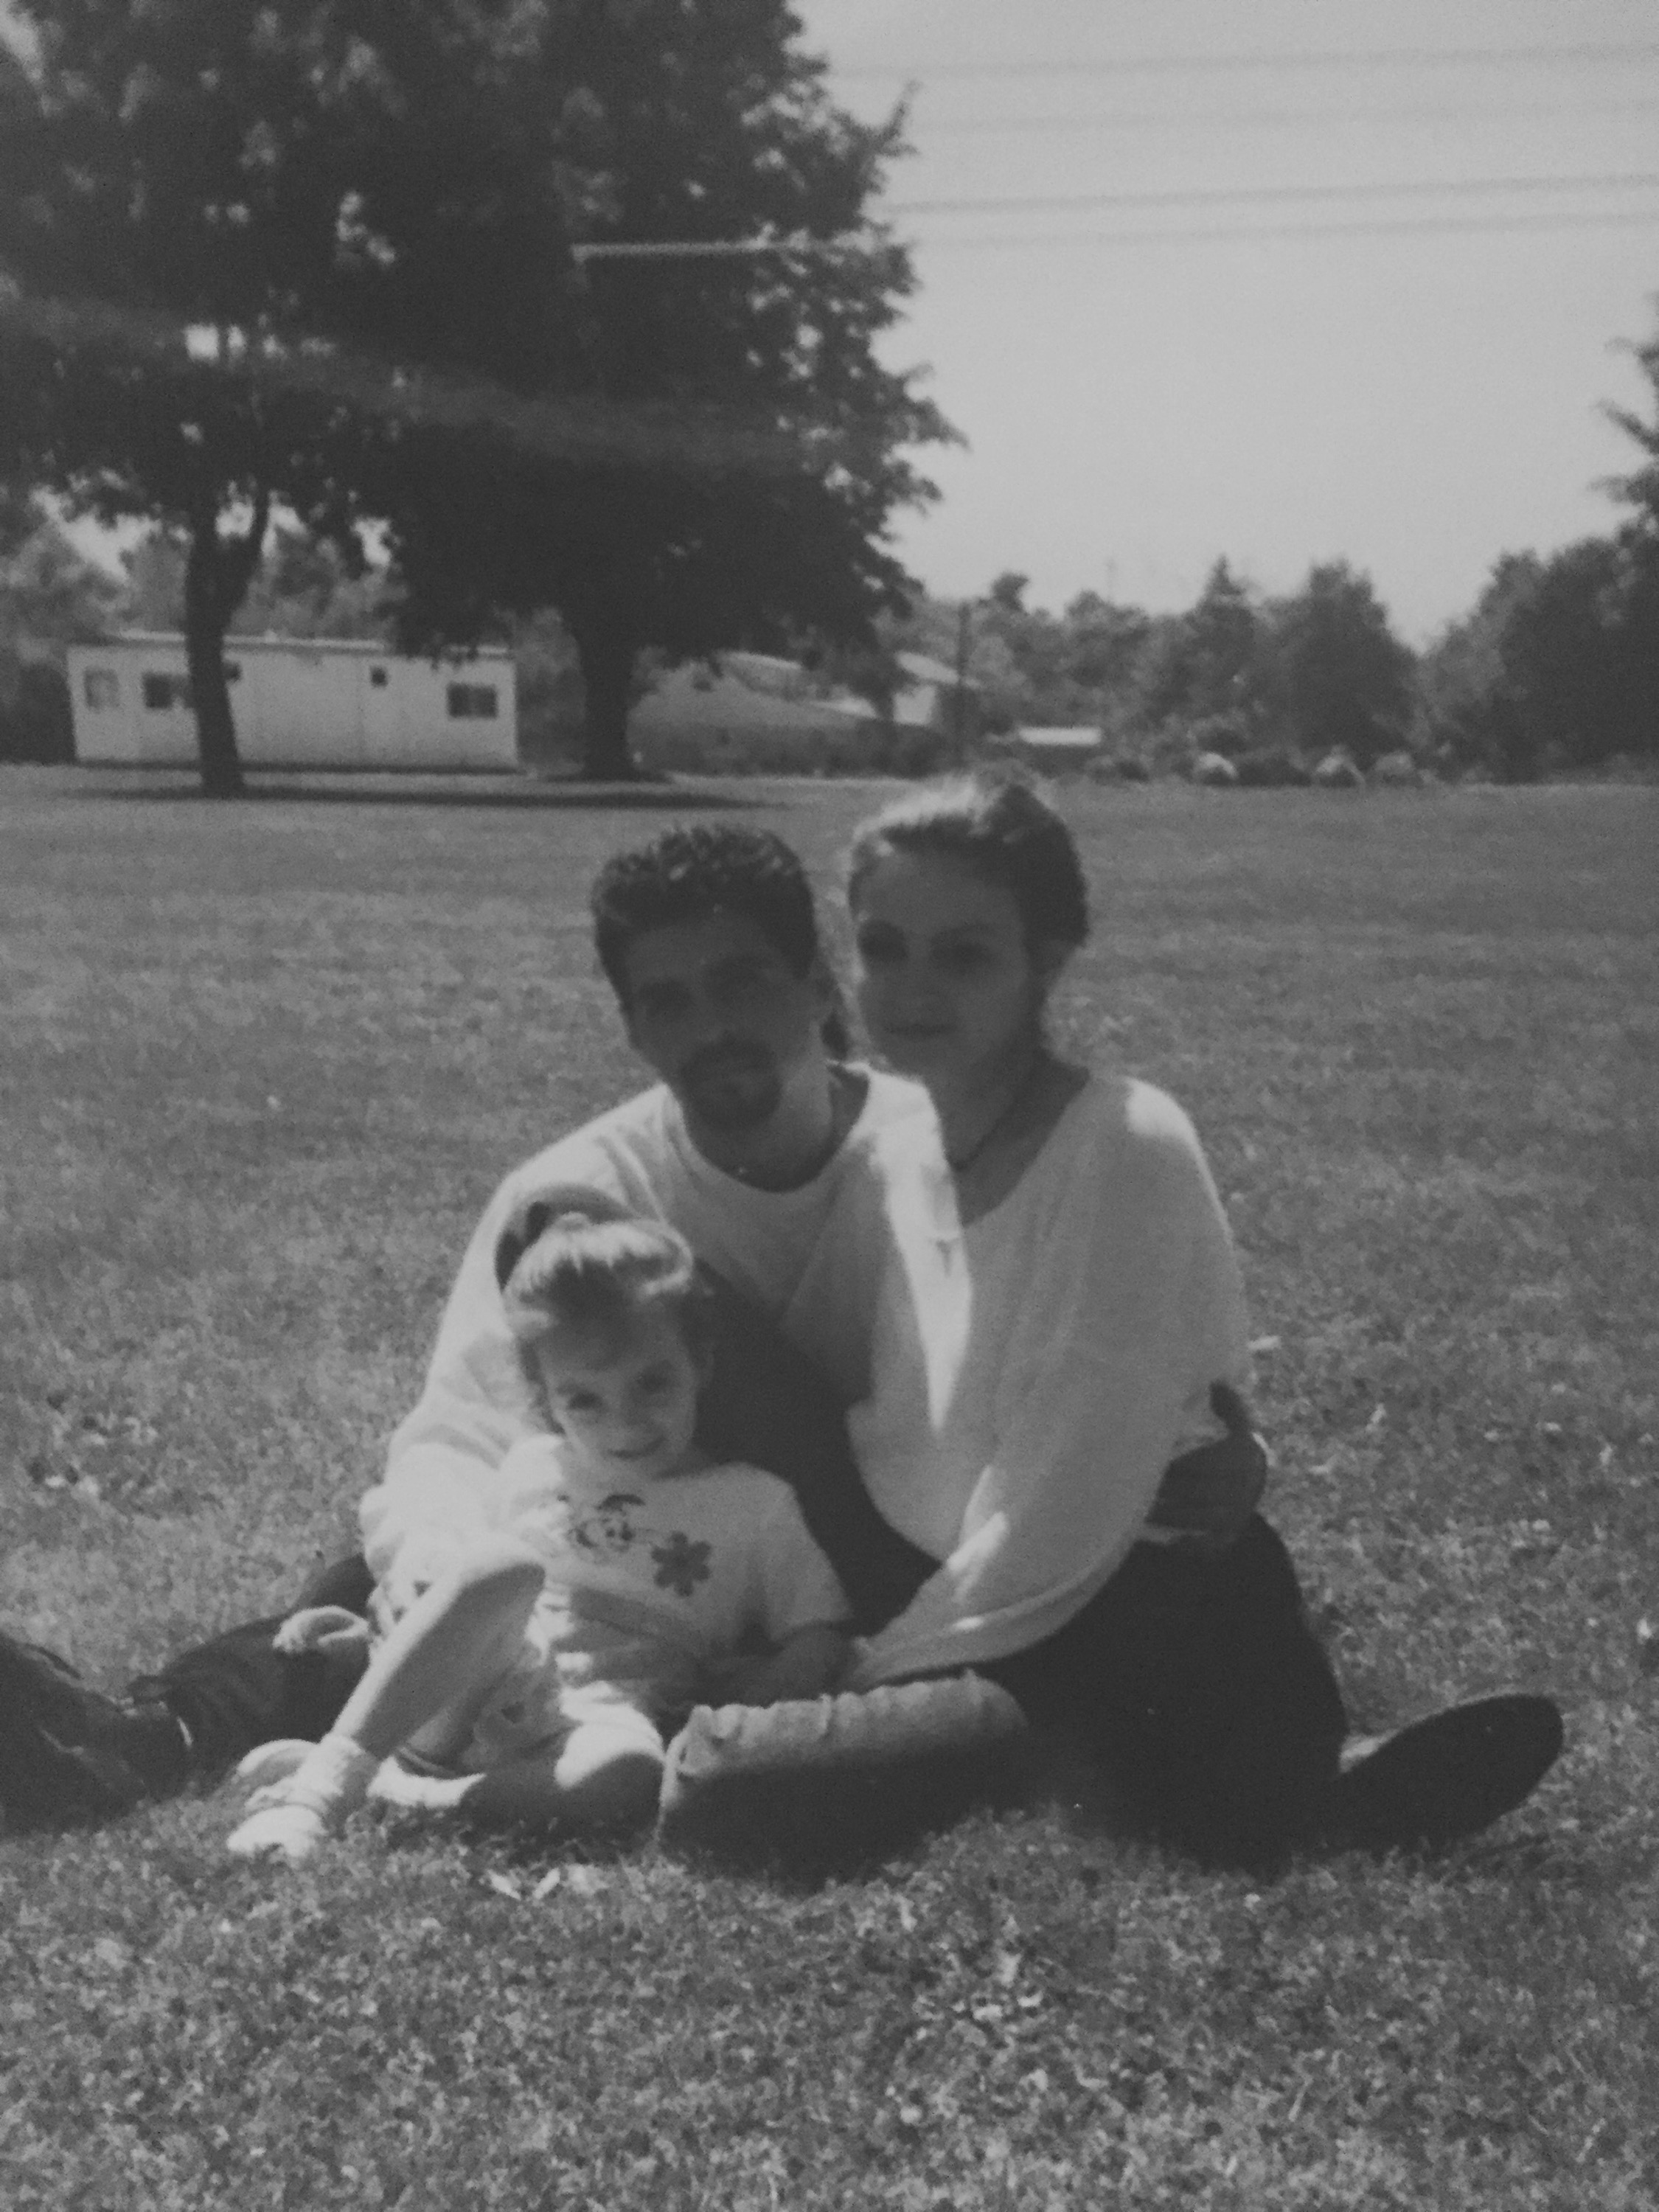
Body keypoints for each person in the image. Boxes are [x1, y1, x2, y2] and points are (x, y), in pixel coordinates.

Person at [0, 821, 1265, 1835]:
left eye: (741, 982)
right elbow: (459, 1432)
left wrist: (1204, 1451)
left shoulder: (932, 1155)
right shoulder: (582, 1187)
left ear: (819, 986)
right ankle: (143, 1737)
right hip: (622, 1529)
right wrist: (434, 1567)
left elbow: (1063, 1356)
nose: (710, 1028)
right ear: (631, 1027)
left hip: (832, 1560)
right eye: (667, 1001)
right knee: (394, 1573)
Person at [796, 771, 1561, 1861]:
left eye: (964, 955)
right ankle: (1273, 1777)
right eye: (883, 948)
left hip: (1103, 1614)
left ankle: (1271, 1785)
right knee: (792, 1763)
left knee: (761, 1788)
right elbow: (815, 1373)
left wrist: (869, 1668)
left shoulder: (1122, 1145)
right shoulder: (886, 1144)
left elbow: (1059, 1520)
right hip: (953, 1592)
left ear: (1046, 960)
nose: (913, 989)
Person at [224, 1212, 850, 1863]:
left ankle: (398, 1794)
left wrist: (775, 1679)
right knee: (503, 1566)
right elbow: (469, 1605)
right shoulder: (533, 1467)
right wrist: (371, 1633)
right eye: (584, 1400)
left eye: (653, 1383)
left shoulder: (754, 1501)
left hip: (596, 1719)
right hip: (477, 1689)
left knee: (633, 1772)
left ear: (701, 1362)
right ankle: (322, 1792)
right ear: (546, 1397)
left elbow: (819, 1630)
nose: (625, 1422)